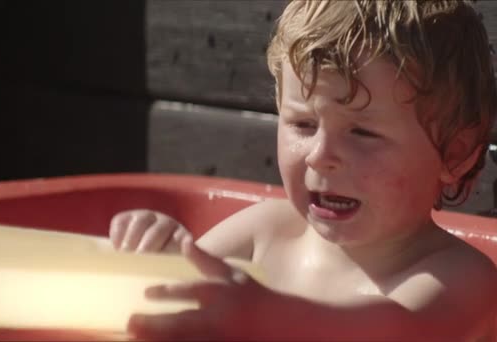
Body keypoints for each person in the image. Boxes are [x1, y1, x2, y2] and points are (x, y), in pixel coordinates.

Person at [110, 0, 497, 340]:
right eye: (303, 124)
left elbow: (400, 331)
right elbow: (165, 308)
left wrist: (264, 317)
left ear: (454, 153)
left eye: (362, 132)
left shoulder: (464, 279)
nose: (319, 155)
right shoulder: (262, 233)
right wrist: (157, 260)